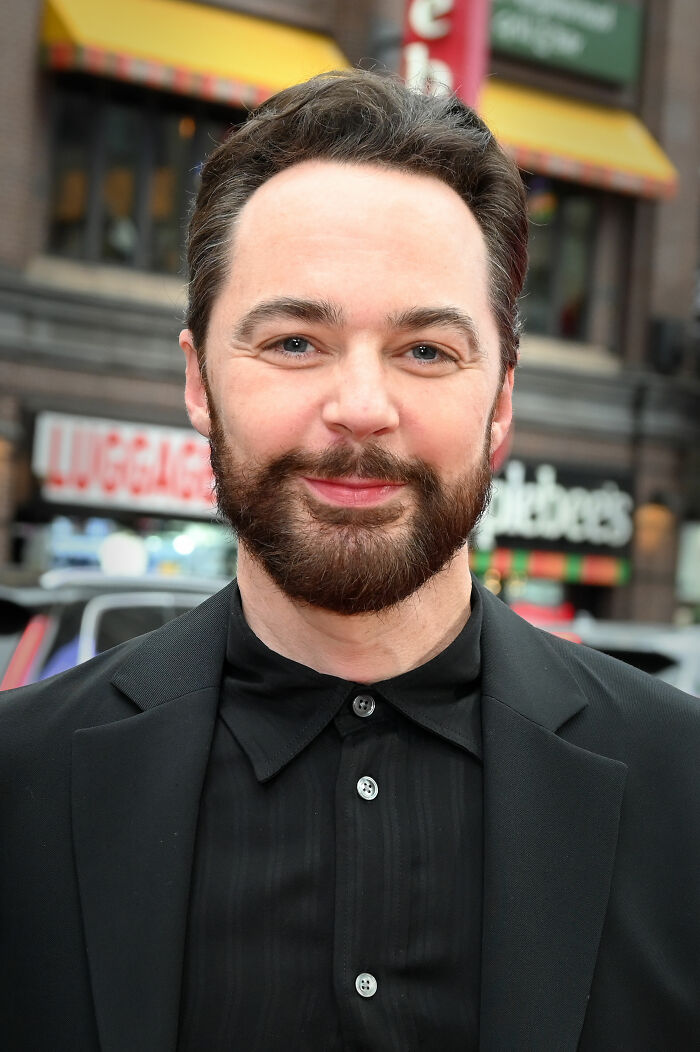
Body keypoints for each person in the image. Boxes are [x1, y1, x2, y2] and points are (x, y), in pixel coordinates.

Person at [1, 71, 698, 1052]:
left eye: (424, 350)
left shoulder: (684, 790)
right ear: (199, 379)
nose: (361, 406)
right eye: (294, 340)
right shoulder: (17, 786)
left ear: (499, 404)